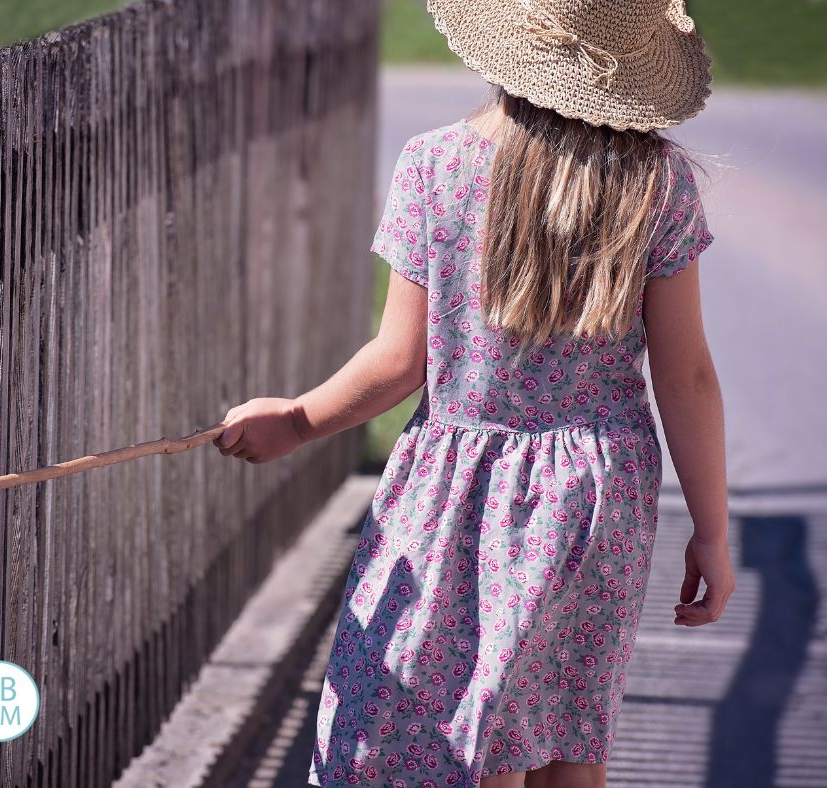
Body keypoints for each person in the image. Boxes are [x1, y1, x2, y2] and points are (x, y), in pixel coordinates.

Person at [213, 0, 736, 785]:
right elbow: (685, 375)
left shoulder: (436, 164)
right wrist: (712, 531)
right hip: (598, 499)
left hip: (457, 488)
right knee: (567, 739)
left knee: (467, 736)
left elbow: (399, 360)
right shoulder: (656, 183)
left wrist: (296, 418)